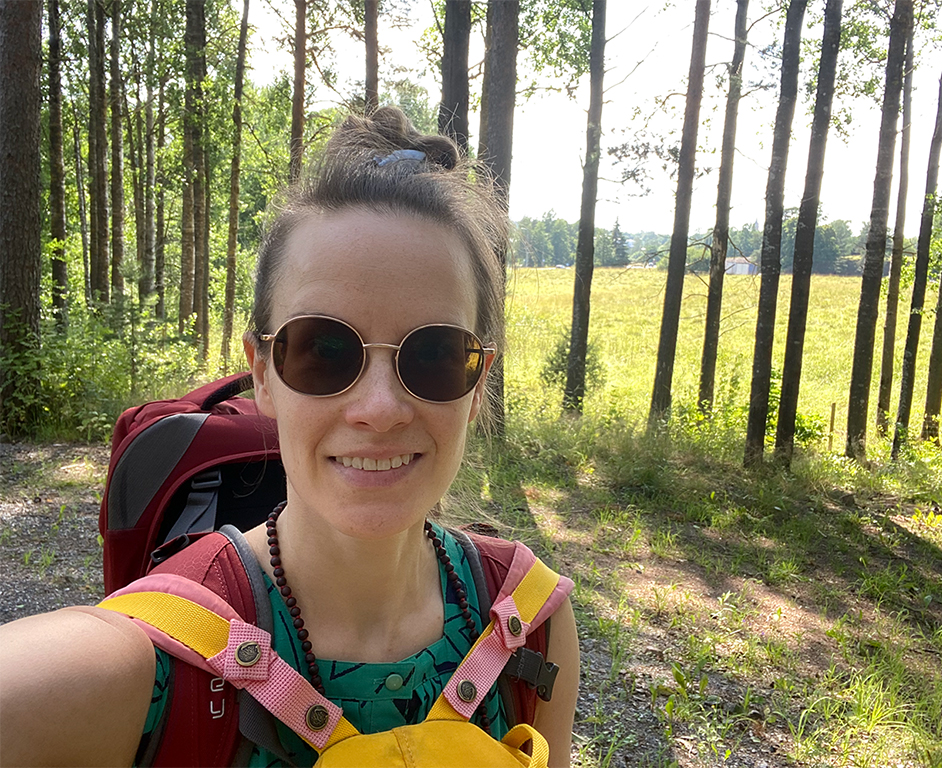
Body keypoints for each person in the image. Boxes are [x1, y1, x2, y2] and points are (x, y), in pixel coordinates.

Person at [0, 107, 579, 767]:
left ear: (478, 385)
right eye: (324, 350)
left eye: (435, 355)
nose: (381, 407)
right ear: (263, 375)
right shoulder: (155, 658)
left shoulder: (531, 622)